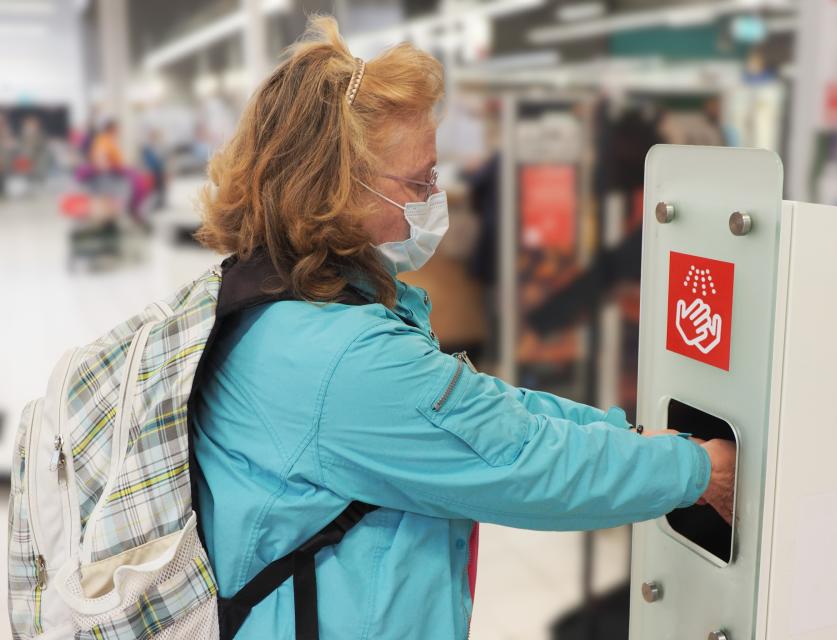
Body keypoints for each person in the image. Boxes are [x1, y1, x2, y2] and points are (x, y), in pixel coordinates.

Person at [192, 16, 735, 640]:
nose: (432, 196)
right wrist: (695, 471)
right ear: (333, 190)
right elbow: (521, 460)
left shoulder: (277, 302)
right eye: (417, 180)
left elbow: (487, 411)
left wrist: (639, 437)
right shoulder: (345, 361)